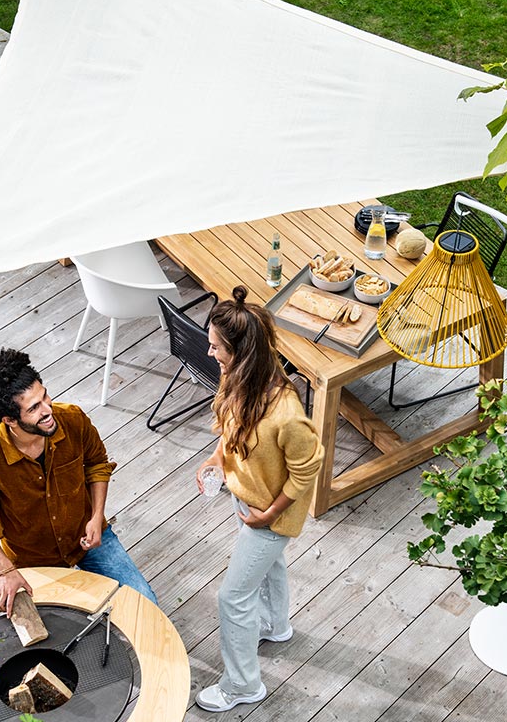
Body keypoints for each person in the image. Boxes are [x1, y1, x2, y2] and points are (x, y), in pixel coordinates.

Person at [195, 286, 324, 713]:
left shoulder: (287, 414)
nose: (210, 352)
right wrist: (216, 459)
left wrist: (269, 514)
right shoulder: (235, 378)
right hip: (244, 497)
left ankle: (242, 685)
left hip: (269, 516)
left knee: (232, 598)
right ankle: (276, 625)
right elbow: (228, 427)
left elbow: (309, 467)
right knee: (269, 571)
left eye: (215, 346)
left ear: (240, 350)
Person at [0, 348, 156, 615]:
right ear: (9, 420)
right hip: (32, 558)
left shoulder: (73, 419)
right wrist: (6, 570)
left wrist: (97, 517)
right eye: (34, 408)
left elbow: (97, 464)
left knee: (145, 604)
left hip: (84, 535)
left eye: (45, 396)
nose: (48, 409)